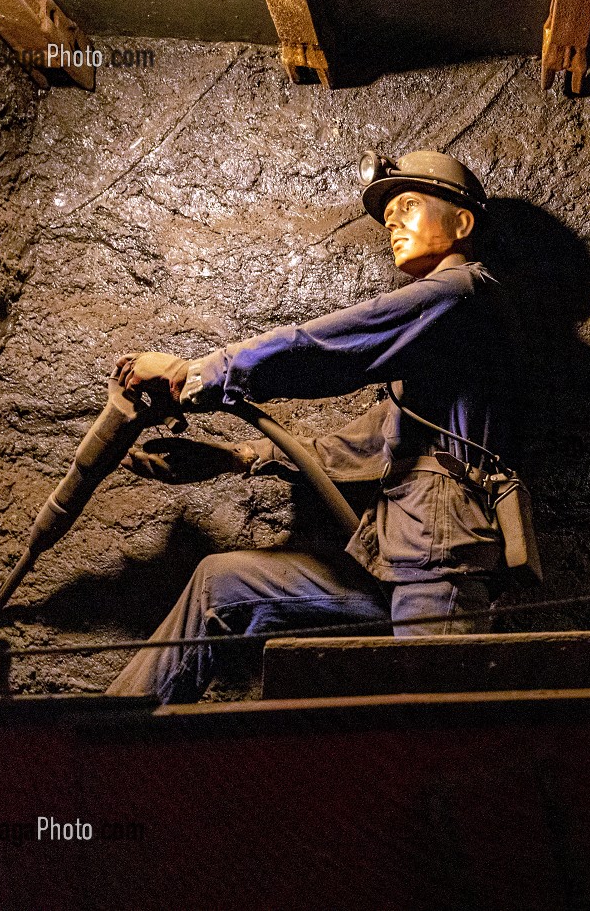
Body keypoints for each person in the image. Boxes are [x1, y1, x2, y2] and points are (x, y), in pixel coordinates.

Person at [105, 151, 518, 703]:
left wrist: (194, 374)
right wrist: (237, 457)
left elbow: (327, 347)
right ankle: (108, 737)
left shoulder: (462, 295)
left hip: (439, 565)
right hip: (388, 558)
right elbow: (370, 443)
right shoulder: (435, 345)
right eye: (387, 213)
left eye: (408, 205)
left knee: (423, 733)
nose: (391, 222)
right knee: (219, 585)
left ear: (462, 222)